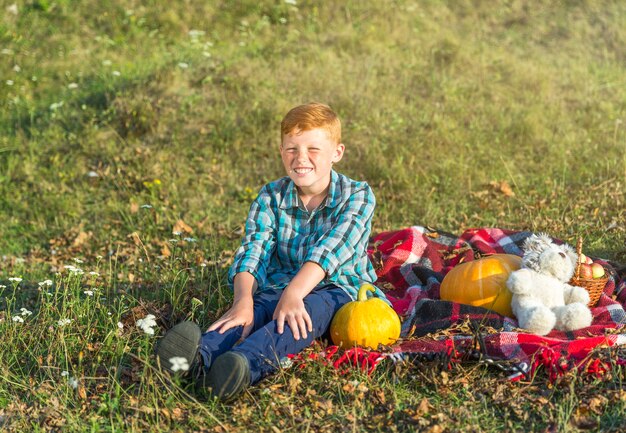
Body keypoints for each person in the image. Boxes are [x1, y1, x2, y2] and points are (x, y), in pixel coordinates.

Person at [156, 102, 387, 400]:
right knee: (254, 311)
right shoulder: (272, 196)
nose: (301, 158)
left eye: (313, 149)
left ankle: (242, 366)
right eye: (292, 149)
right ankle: (197, 359)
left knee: (300, 316)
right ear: (281, 151)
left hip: (338, 288)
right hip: (280, 284)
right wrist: (243, 301)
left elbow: (330, 250)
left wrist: (294, 294)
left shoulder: (357, 195)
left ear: (337, 153)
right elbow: (254, 250)